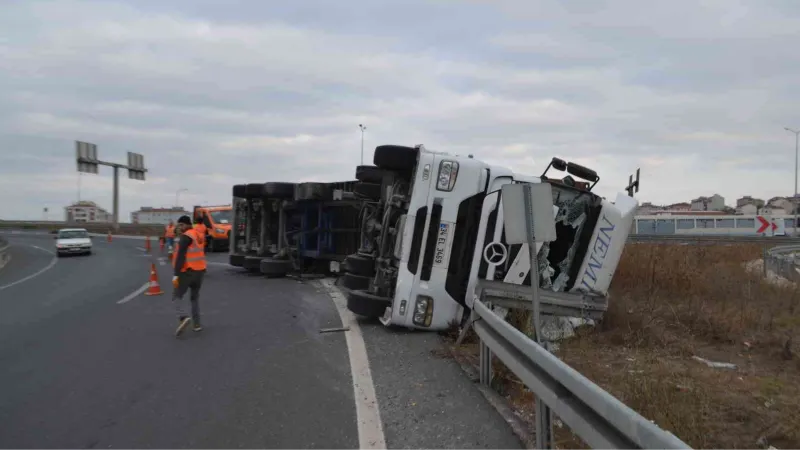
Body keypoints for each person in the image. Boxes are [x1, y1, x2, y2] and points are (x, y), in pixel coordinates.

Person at [171, 215, 207, 336]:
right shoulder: (198, 234)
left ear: (187, 224)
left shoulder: (186, 237)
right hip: (201, 271)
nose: (180, 227)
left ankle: (183, 317)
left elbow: (180, 257)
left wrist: (176, 274)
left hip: (188, 271)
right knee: (194, 298)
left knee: (176, 295)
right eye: (179, 225)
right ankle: (197, 324)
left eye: (181, 225)